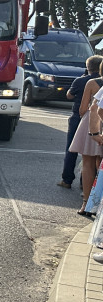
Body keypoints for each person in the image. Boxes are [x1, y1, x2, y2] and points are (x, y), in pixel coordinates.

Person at [61, 55, 102, 189]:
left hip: (82, 119)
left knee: (74, 151)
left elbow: (70, 96)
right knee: (96, 156)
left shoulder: (82, 81)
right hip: (99, 121)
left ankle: (67, 180)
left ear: (88, 67)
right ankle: (87, 185)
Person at [69, 69, 103, 214]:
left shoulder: (92, 83)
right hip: (98, 122)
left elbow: (84, 109)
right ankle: (98, 203)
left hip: (92, 122)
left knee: (87, 164)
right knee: (99, 165)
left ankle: (86, 204)